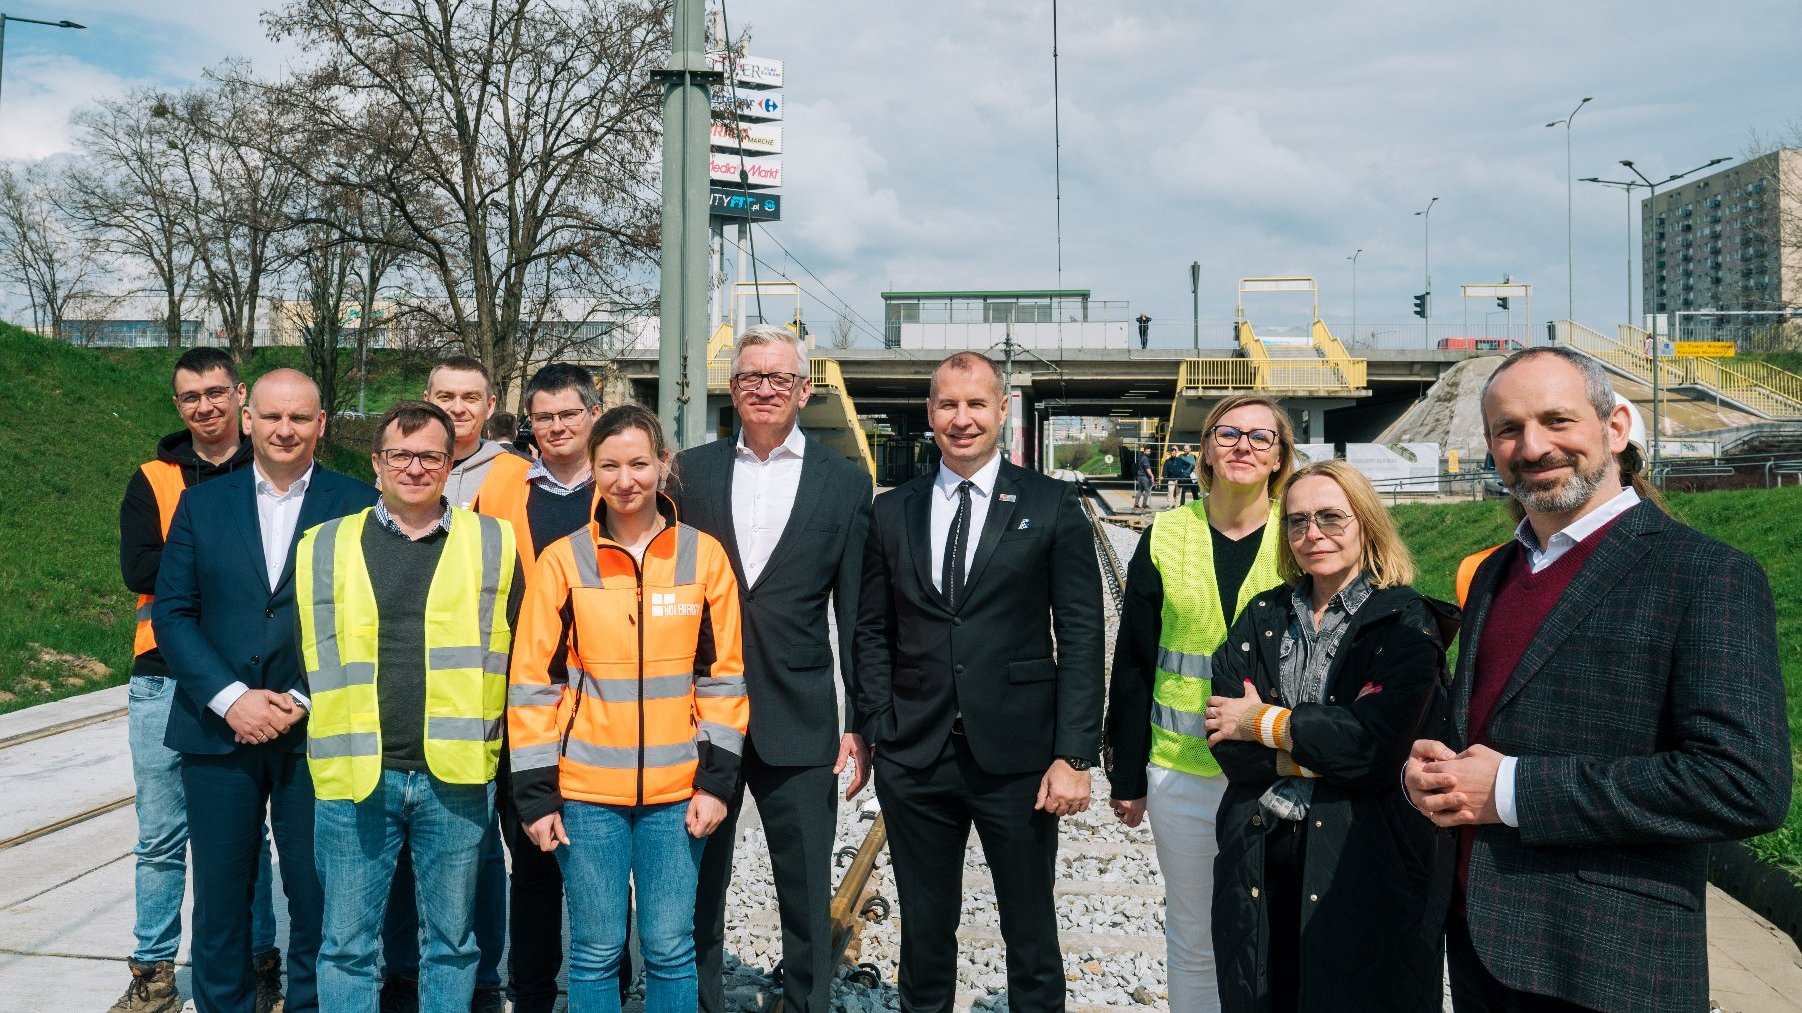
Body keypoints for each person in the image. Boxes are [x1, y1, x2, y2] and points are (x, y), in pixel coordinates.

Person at [1405, 346, 1791, 1013]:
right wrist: (1436, 776)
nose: (1533, 446)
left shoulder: (1705, 574)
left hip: (1607, 966)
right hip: (1480, 951)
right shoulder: (1496, 571)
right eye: (1508, 429)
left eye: (1557, 420)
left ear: (1614, 428)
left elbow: (1743, 784)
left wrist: (1509, 787)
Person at [855, 351, 1105, 1013]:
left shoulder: (1051, 504)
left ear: (1002, 410)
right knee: (925, 932)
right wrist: (880, 726)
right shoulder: (892, 512)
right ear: (930, 413)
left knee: (1029, 930)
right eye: (947, 405)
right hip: (917, 758)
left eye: (975, 404)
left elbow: (1081, 635)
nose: (961, 419)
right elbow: (872, 630)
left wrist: (1075, 753)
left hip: (1020, 760)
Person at [509, 403, 748, 1013]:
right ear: (592, 471)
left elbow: (722, 680)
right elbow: (533, 683)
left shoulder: (703, 557)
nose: (626, 479)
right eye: (610, 465)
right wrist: (537, 796)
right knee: (594, 949)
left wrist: (716, 784)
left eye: (640, 463)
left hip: (677, 794)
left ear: (663, 466)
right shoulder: (563, 561)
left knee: (670, 948)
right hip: (587, 795)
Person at [153, 368, 378, 1013]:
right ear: (247, 419)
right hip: (217, 731)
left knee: (317, 896)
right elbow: (172, 613)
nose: (285, 430)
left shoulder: (358, 505)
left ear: (320, 426)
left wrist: (301, 697)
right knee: (222, 899)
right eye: (273, 417)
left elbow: (364, 620)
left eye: (300, 418)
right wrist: (231, 698)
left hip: (319, 730)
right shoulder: (202, 505)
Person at [297, 401, 524, 1013]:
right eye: (401, 454)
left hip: (454, 777)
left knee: (452, 943)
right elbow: (302, 654)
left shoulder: (494, 543)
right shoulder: (323, 547)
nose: (415, 467)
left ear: (451, 465)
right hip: (353, 777)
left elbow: (523, 654)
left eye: (430, 455)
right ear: (376, 464)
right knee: (344, 945)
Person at [1201, 460, 1452, 1013]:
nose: (1312, 533)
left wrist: (1263, 723)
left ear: (1366, 523)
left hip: (1362, 857)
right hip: (1259, 850)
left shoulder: (1405, 624)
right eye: (1297, 521)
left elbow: (1374, 751)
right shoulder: (1263, 614)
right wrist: (1318, 748)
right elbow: (1229, 742)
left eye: (1331, 518)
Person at [673, 325, 874, 1013]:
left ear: (803, 389)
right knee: (699, 882)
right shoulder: (689, 474)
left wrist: (861, 721)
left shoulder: (844, 482)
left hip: (801, 714)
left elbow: (855, 614)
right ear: (733, 388)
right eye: (751, 376)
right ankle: (699, 1000)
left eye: (779, 378)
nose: (764, 388)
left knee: (805, 886)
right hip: (701, 717)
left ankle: (807, 1001)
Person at [1103, 394, 1294, 1012]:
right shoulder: (1167, 534)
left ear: (1279, 458)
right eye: (1229, 433)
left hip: (1281, 771)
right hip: (1181, 773)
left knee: (1279, 933)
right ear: (1205, 450)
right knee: (1193, 936)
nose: (1244, 446)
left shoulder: (1302, 531)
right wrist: (1127, 775)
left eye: (1261, 437)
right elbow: (1133, 664)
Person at [113, 347, 284, 1013]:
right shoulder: (152, 478)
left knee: (252, 833)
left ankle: (259, 960)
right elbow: (138, 568)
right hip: (163, 675)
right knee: (160, 834)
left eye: (216, 392)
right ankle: (154, 973)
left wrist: (194, 562)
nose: (205, 406)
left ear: (241, 396)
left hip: (249, 675)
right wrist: (227, 560)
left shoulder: (271, 468)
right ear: (178, 405)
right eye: (190, 396)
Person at [380, 357, 525, 1012]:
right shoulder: (403, 471)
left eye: (471, 396)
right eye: (446, 395)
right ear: (427, 400)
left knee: (481, 857)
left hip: (485, 705)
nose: (460, 406)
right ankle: (404, 974)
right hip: (413, 714)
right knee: (408, 862)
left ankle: (484, 980)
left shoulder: (518, 477)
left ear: (490, 402)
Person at [466, 362, 603, 1013]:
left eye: (566, 414)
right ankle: (531, 994)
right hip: (525, 700)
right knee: (534, 855)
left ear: (593, 416)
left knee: (601, 860)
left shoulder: (627, 484)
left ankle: (606, 986)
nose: (554, 427)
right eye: (542, 417)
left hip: (611, 705)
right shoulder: (499, 487)